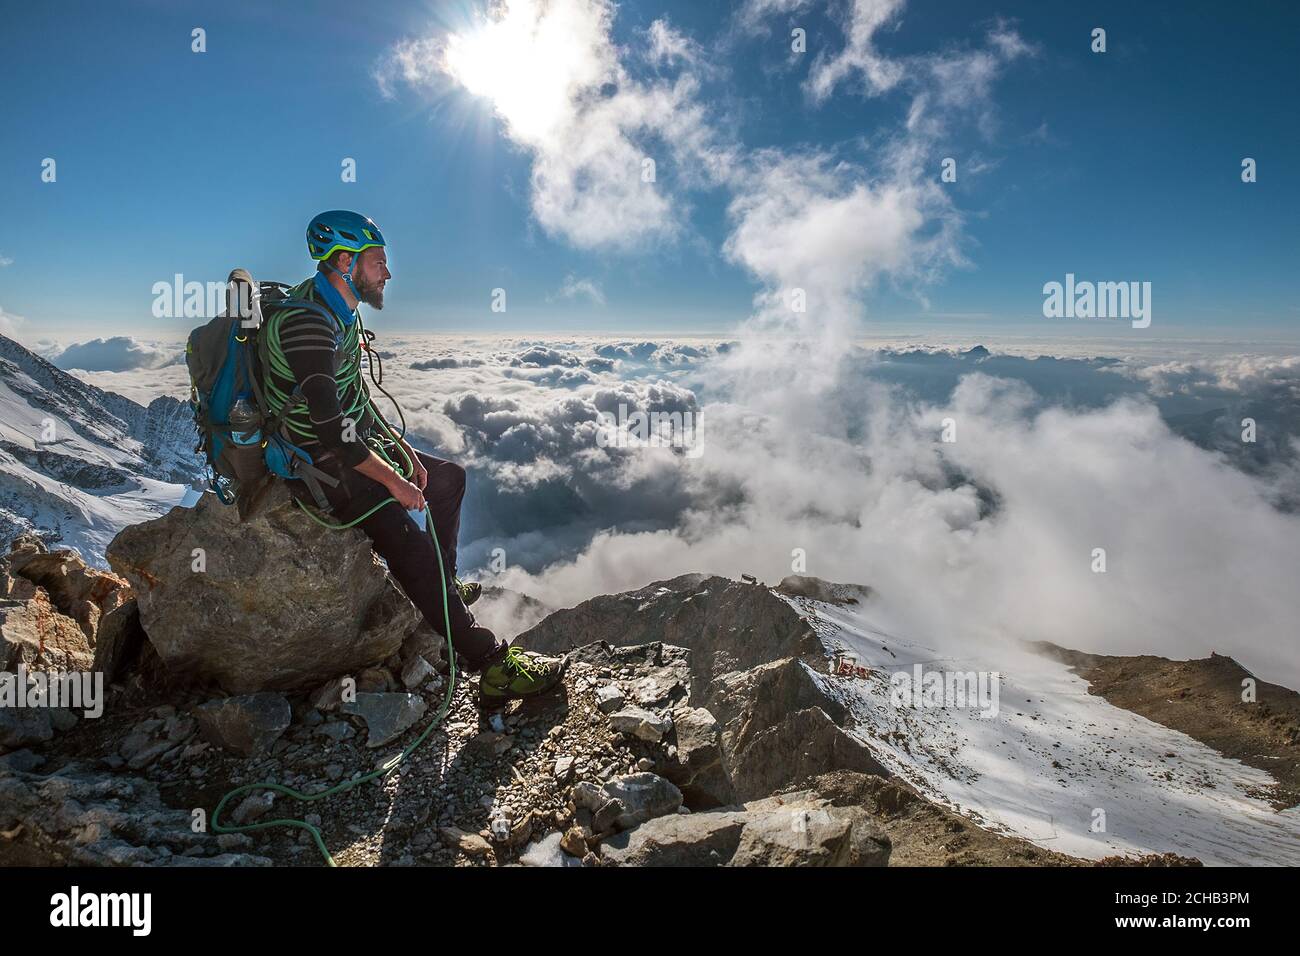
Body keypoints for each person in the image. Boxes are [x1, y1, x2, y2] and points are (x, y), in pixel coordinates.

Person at [258, 210, 563, 708]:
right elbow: (332, 429)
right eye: (378, 262)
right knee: (405, 531)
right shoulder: (307, 325)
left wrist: (402, 453)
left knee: (447, 480)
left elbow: (353, 398)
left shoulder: (337, 309)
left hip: (348, 446)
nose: (388, 273)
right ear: (344, 262)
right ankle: (490, 664)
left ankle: (440, 590)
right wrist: (393, 482)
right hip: (317, 463)